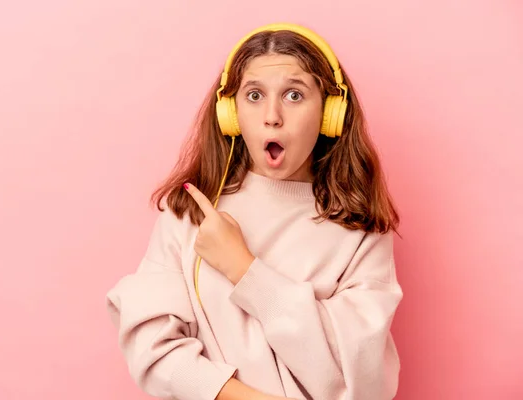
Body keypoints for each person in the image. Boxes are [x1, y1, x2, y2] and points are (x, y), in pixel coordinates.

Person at [106, 22, 403, 400]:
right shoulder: (192, 210)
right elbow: (152, 347)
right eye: (254, 95)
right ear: (230, 113)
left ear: (331, 112)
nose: (272, 116)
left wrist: (243, 267)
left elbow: (359, 375)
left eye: (294, 95)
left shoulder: (362, 229)